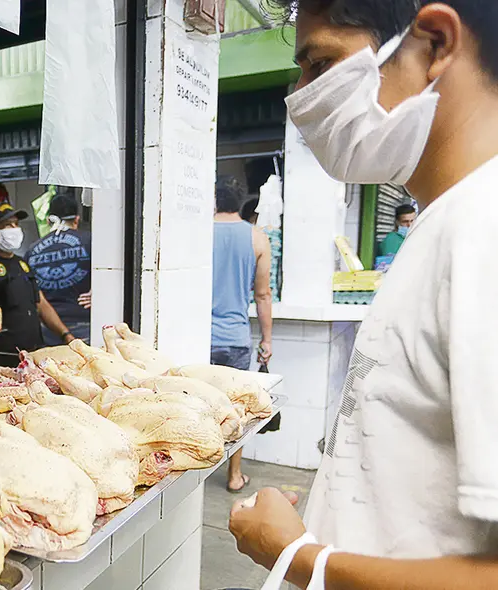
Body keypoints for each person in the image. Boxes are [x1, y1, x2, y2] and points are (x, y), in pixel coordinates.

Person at [229, 1, 498, 587]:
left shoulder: (485, 233)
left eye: (321, 64)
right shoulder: (445, 224)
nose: (299, 100)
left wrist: (300, 556)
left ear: (434, 43)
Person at [212, 175, 273, 494]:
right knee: (237, 409)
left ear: (214, 200)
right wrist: (266, 340)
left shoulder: (197, 234)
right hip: (235, 337)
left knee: (194, 403)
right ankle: (234, 475)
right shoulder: (257, 237)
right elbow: (262, 295)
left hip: (197, 338)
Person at [0, 203, 76, 353]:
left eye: (16, 224)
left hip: (34, 351)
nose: (15, 229)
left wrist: (66, 335)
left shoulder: (22, 264)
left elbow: (41, 305)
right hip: (2, 354)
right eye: (8, 225)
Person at [26, 192, 93, 345]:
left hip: (49, 327)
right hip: (84, 324)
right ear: (76, 219)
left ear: (49, 220)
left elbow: (32, 293)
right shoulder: (90, 241)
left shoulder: (32, 249)